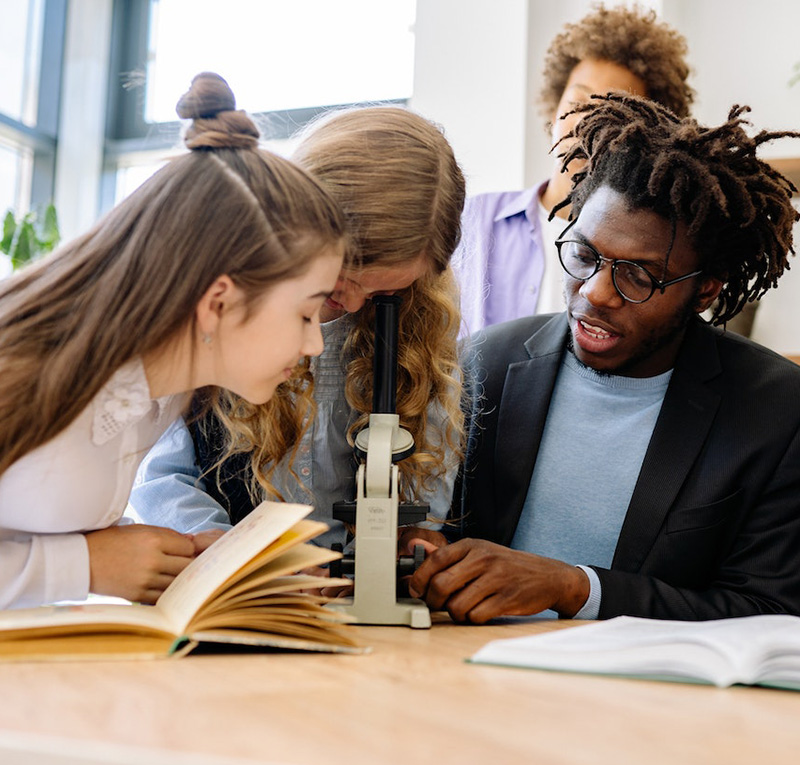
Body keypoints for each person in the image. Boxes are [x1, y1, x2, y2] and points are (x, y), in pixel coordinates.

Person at [407, 93, 800, 623]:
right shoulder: (487, 364)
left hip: (651, 698)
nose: (595, 293)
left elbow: (769, 610)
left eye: (639, 275)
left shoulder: (775, 411)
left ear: (705, 290)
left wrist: (575, 588)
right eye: (586, 255)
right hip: (468, 669)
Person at [0, 72, 346, 610]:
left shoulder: (164, 393)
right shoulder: (20, 364)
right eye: (305, 313)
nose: (314, 344)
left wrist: (192, 558)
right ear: (218, 302)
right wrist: (85, 565)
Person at [128, 106, 466, 556]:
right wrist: (242, 563)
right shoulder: (212, 313)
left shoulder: (420, 334)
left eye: (382, 291)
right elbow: (162, 479)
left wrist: (402, 545)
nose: (352, 304)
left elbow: (424, 486)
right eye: (342, 280)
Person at [455, 3, 694, 334]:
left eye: (612, 110)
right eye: (576, 102)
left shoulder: (649, 250)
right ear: (554, 111)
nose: (586, 121)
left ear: (647, 133)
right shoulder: (473, 219)